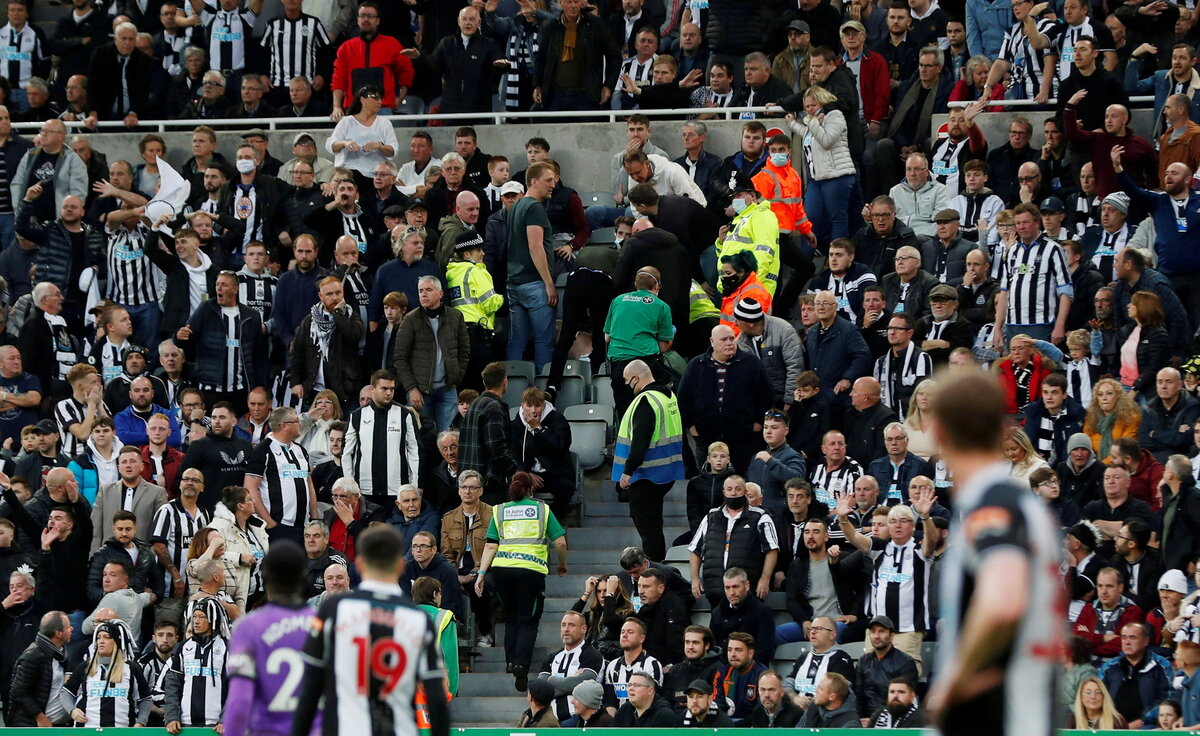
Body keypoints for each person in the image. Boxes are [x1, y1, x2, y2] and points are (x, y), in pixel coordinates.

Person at [922, 369, 1063, 735]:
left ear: (938, 432)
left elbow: (1003, 599)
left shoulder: (992, 503)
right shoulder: (1020, 503)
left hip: (1001, 716)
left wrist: (955, 679)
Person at [290, 525, 448, 736]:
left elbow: (310, 686)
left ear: (360, 565)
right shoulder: (418, 619)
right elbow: (437, 696)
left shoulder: (332, 611)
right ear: (401, 566)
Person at [474, 471, 568, 692]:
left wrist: (480, 575)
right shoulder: (542, 509)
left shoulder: (499, 510)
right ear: (531, 489)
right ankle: (521, 666)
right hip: (531, 571)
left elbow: (490, 546)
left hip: (502, 571)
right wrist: (562, 565)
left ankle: (509, 661)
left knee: (511, 618)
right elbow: (561, 543)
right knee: (528, 620)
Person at [835, 484, 938, 674]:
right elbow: (854, 537)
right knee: (870, 677)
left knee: (903, 681)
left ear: (913, 525)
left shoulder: (920, 550)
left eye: (904, 520)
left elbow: (932, 541)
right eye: (893, 521)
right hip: (877, 629)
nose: (898, 525)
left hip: (908, 629)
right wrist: (842, 518)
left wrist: (925, 516)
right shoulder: (880, 548)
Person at [613, 359, 684, 562]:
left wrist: (628, 471)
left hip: (646, 475)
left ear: (636, 378)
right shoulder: (668, 396)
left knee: (649, 530)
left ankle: (654, 570)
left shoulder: (646, 400)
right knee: (653, 526)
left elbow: (640, 439)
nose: (627, 386)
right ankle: (655, 567)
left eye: (628, 381)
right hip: (665, 472)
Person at [394, 275, 469, 433]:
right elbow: (400, 358)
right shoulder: (410, 320)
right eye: (420, 291)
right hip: (420, 392)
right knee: (424, 438)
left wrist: (456, 377)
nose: (423, 294)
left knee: (448, 437)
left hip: (448, 389)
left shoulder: (456, 317)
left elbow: (464, 351)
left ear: (440, 293)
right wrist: (411, 389)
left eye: (428, 290)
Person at [506, 161, 558, 368]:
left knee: (517, 341)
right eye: (548, 180)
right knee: (544, 341)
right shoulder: (534, 208)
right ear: (534, 182)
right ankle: (542, 394)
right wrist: (548, 282)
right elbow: (535, 247)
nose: (552, 184)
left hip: (514, 283)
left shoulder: (516, 205)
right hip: (535, 284)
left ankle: (510, 390)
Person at [289, 276, 365, 408]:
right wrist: (295, 382)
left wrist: (338, 314)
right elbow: (298, 353)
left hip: (344, 392)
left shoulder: (352, 316)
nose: (335, 298)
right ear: (320, 296)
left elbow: (354, 335)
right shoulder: (309, 321)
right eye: (329, 294)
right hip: (314, 391)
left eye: (338, 293)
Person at [537, 611, 605, 724]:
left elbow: (581, 687)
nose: (566, 629)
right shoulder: (552, 657)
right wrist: (569, 683)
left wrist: (550, 679)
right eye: (563, 625)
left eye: (571, 625)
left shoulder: (592, 655)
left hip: (577, 718)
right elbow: (539, 691)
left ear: (584, 629)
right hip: (551, 719)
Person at [612, 670, 678, 726]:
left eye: (636, 685)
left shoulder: (664, 715)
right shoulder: (625, 709)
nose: (631, 689)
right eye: (629, 685)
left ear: (650, 690)